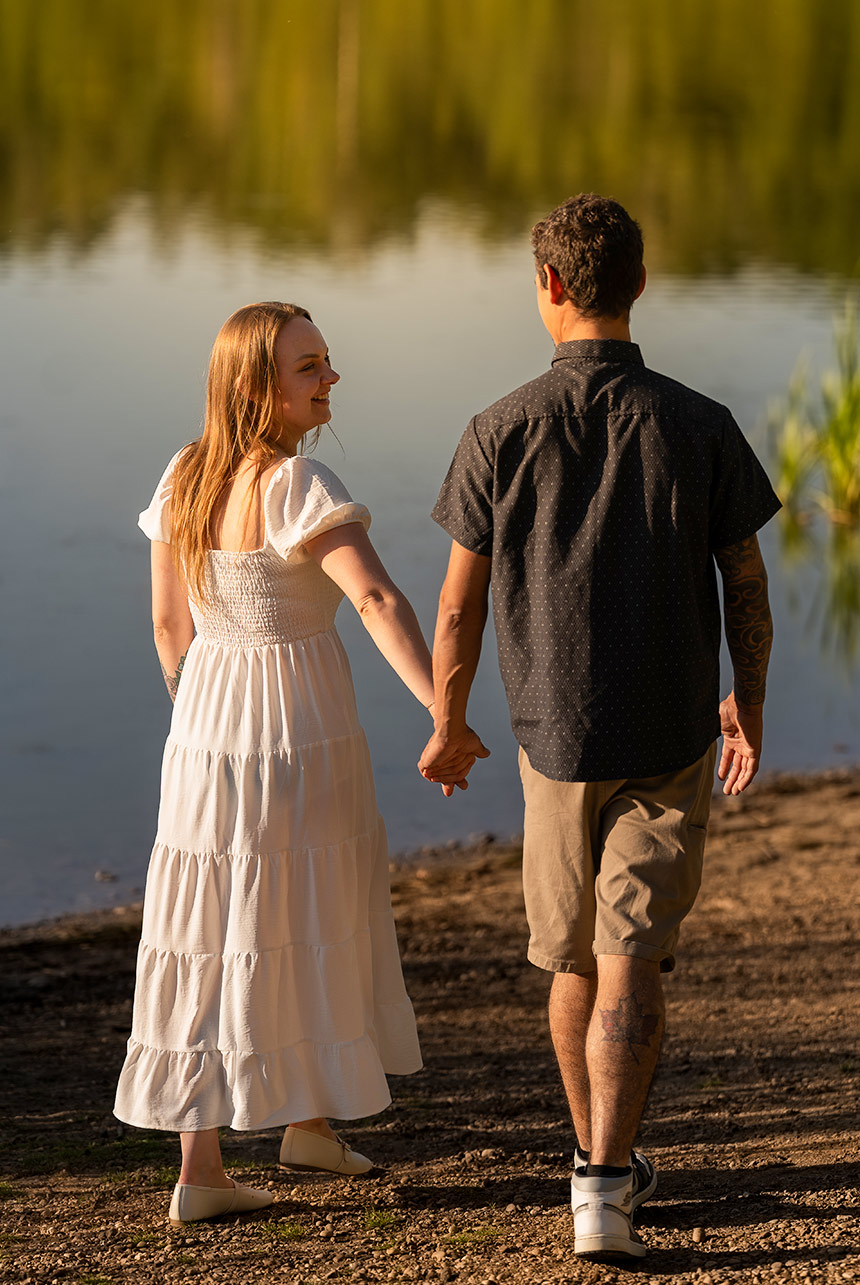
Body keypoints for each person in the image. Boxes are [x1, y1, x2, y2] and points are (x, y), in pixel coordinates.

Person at [419, 194, 780, 1260]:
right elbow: (744, 583)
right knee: (627, 961)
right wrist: (747, 699)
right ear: (635, 283)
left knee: (573, 961)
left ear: (547, 288)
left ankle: (592, 1178)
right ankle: (606, 1181)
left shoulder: (497, 428)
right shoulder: (698, 422)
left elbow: (454, 604)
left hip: (546, 737)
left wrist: (449, 718)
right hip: (667, 731)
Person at [115, 301, 440, 1226]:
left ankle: (231, 1153)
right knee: (304, 907)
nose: (331, 378)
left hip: (207, 728)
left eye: (327, 361)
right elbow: (375, 596)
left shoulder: (183, 476)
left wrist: (204, 717)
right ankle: (297, 1120)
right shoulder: (295, 482)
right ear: (259, 386)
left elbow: (166, 627)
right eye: (310, 367)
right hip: (297, 729)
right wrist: (441, 708)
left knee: (213, 925)